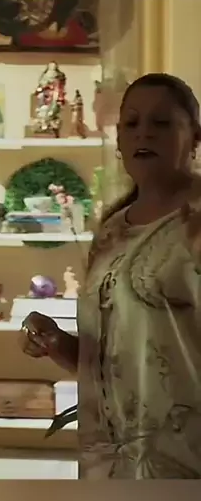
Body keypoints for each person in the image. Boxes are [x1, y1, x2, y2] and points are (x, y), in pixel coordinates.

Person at [20, 72, 201, 478]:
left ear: (195, 136)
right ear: (118, 140)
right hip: (108, 460)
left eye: (161, 123)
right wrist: (57, 343)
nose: (144, 134)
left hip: (182, 460)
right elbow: (110, 357)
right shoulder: (111, 230)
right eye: (131, 123)